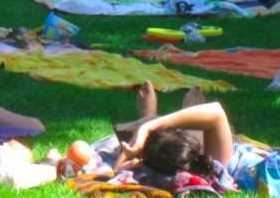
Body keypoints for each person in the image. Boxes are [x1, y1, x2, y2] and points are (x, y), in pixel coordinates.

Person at [109, 81, 254, 192]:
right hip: (200, 143)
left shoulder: (145, 171)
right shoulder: (215, 165)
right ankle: (188, 113)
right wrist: (148, 129)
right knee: (206, 132)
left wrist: (134, 146)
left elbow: (118, 168)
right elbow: (216, 113)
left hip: (184, 148)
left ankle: (148, 116)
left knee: (188, 132)